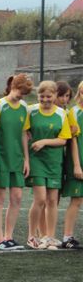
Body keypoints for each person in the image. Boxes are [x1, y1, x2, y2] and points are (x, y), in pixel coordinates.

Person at [25, 80, 71, 250]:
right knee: (40, 199)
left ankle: (49, 237)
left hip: (54, 161)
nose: (45, 99)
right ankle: (32, 236)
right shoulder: (31, 111)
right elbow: (23, 131)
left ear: (55, 96)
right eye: (41, 96)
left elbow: (63, 139)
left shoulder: (61, 114)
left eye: (49, 96)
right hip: (36, 160)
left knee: (52, 200)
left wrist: (44, 141)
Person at [0, 74, 33, 250]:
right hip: (1, 157)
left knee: (17, 197)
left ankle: (9, 236)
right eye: (20, 91)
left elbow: (24, 134)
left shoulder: (24, 107)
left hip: (17, 159)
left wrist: (26, 159)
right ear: (13, 86)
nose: (22, 96)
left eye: (25, 93)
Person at [62, 81, 83, 249]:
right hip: (79, 162)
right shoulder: (73, 113)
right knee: (76, 200)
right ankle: (67, 237)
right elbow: (73, 140)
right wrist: (77, 165)